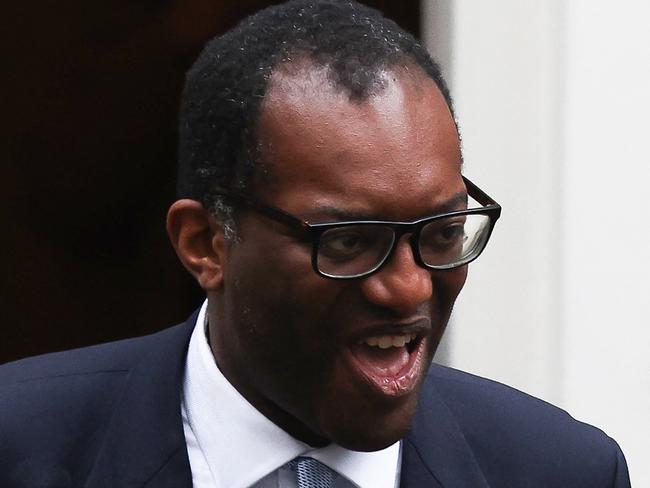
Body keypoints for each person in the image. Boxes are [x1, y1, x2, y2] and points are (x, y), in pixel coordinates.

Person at [0, 1, 630, 487]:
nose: (409, 286)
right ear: (206, 244)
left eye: (440, 234)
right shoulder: (23, 447)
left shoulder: (559, 470)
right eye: (351, 242)